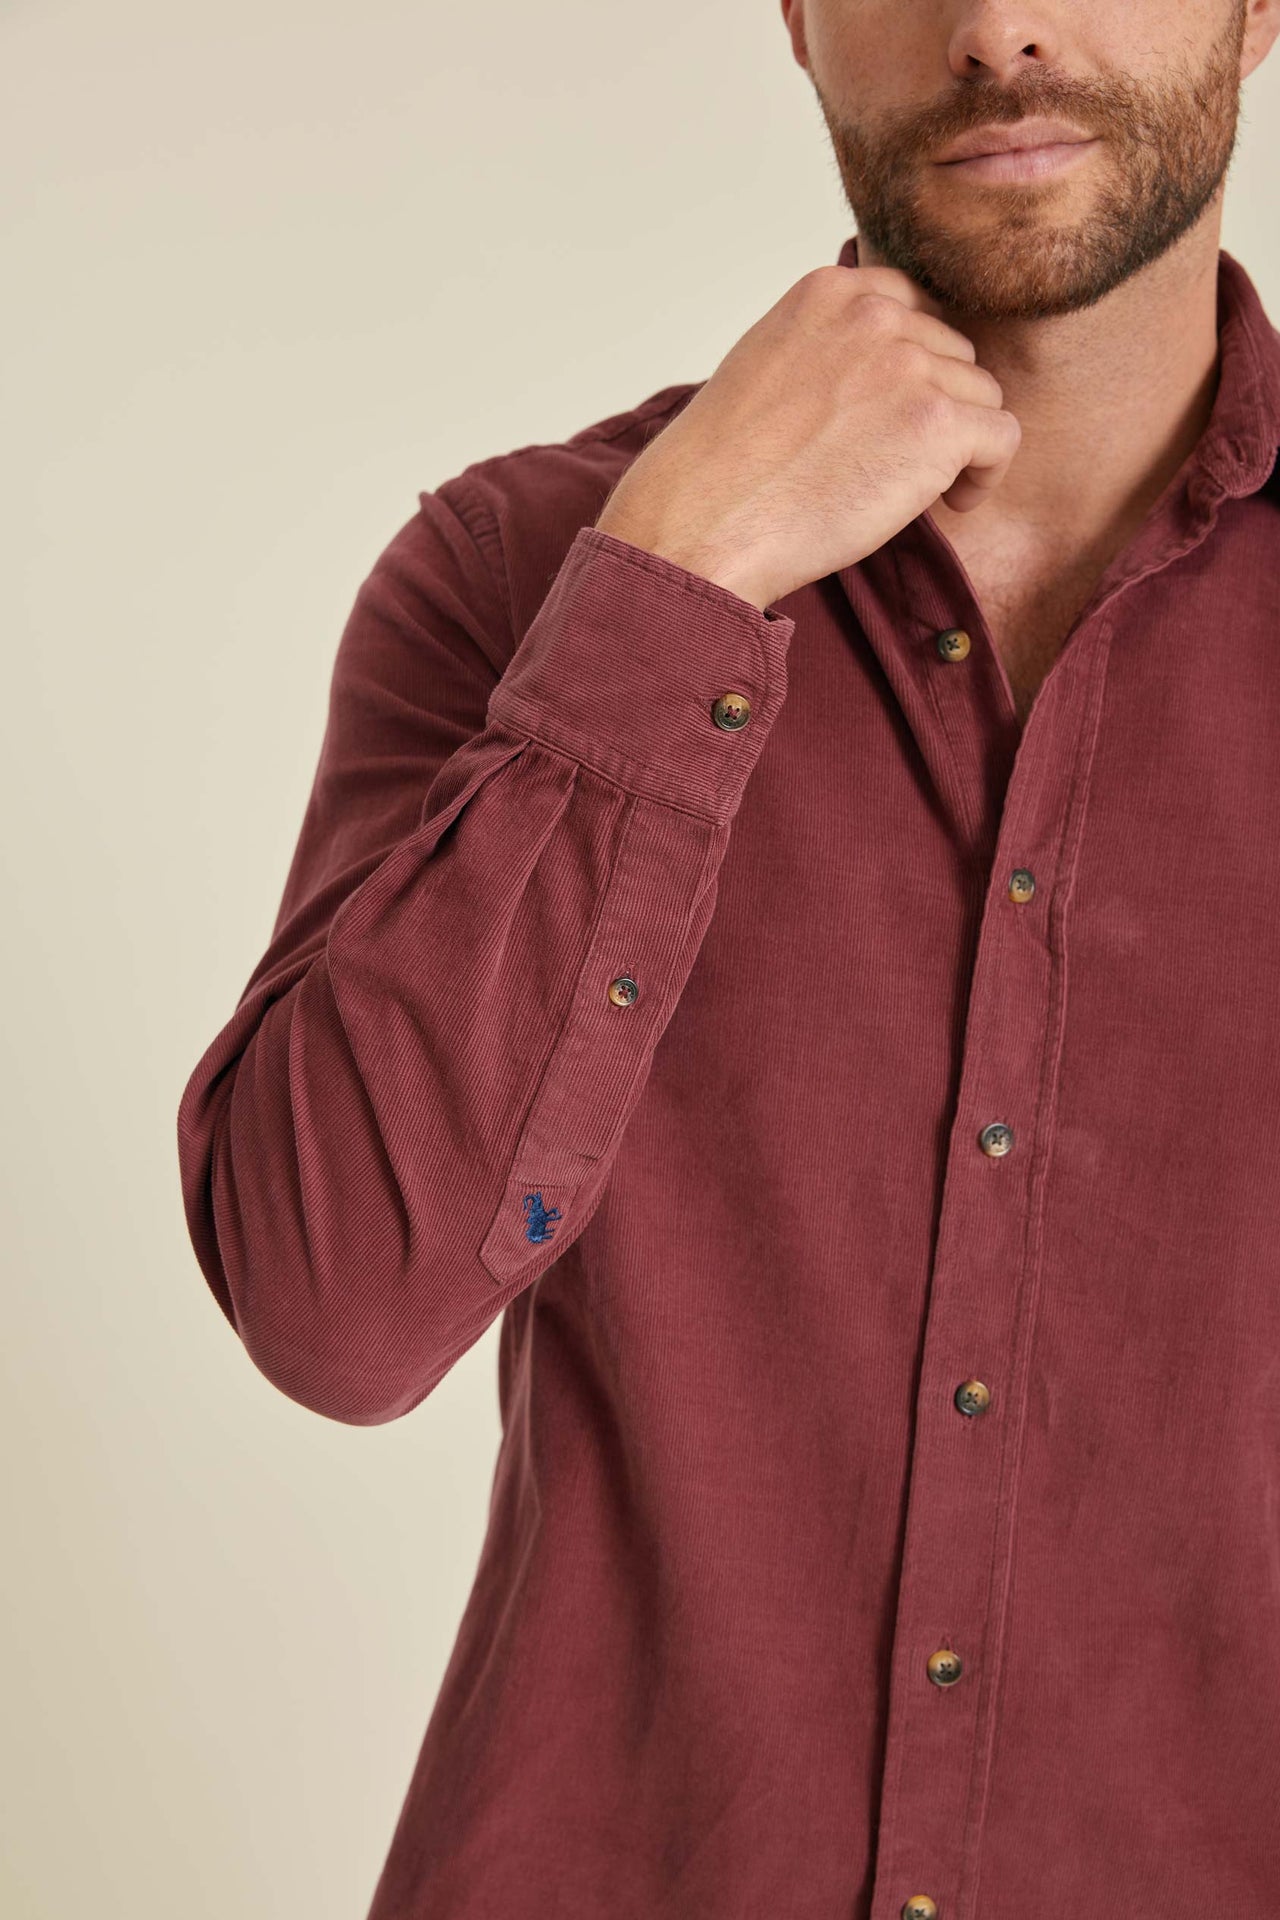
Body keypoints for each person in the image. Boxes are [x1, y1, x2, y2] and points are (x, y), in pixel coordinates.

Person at [176, 1, 1280, 1914]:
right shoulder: (526, 577)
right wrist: (670, 588)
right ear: (792, 12)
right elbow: (336, 1307)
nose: (1000, 27)